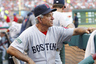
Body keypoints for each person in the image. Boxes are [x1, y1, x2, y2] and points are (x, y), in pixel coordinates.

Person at [7, 4, 93, 64]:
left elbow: (75, 31)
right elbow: (11, 49)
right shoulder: (29, 33)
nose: (52, 18)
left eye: (52, 14)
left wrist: (87, 29)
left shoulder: (56, 30)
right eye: (49, 15)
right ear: (40, 19)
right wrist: (29, 60)